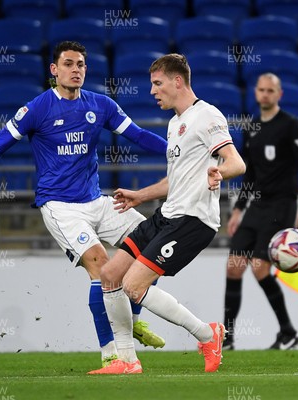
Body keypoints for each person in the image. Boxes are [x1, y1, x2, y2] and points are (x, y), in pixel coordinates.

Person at [0, 41, 167, 366]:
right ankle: (110, 356)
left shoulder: (100, 105)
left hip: (97, 201)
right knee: (102, 267)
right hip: (60, 206)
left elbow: (140, 135)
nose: (76, 70)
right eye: (69, 64)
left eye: (81, 65)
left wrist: (178, 150)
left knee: (153, 243)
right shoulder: (37, 109)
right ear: (54, 70)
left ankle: (130, 317)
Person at [88, 53, 246, 375]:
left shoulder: (207, 116)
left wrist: (220, 172)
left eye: (157, 84)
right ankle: (127, 361)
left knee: (133, 286)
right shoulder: (175, 124)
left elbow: (236, 162)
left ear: (178, 81)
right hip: (165, 215)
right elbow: (176, 180)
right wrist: (140, 196)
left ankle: (207, 334)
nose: (152, 91)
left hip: (193, 221)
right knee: (109, 275)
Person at [223, 73, 298, 351]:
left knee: (260, 267)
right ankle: (227, 338)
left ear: (279, 94)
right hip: (256, 206)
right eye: (261, 90)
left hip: (283, 204)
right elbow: (249, 174)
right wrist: (238, 209)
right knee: (234, 267)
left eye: (270, 91)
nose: (265, 95)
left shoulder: (291, 125)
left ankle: (287, 331)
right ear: (255, 92)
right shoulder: (251, 127)